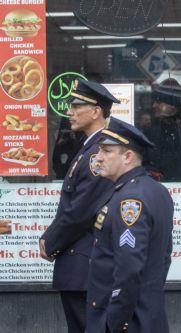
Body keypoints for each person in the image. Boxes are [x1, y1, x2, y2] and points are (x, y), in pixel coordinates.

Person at [40, 79, 118, 333]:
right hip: (79, 264)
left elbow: (81, 210)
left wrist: (50, 242)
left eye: (76, 106)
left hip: (84, 264)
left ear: (96, 111)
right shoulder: (88, 147)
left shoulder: (98, 153)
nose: (69, 112)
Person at [86, 118, 174, 332]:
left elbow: (129, 267)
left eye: (107, 151)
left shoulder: (130, 199)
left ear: (127, 156)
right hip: (146, 312)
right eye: (99, 151)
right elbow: (164, 257)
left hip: (129, 319)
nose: (98, 158)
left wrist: (115, 320)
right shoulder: (154, 190)